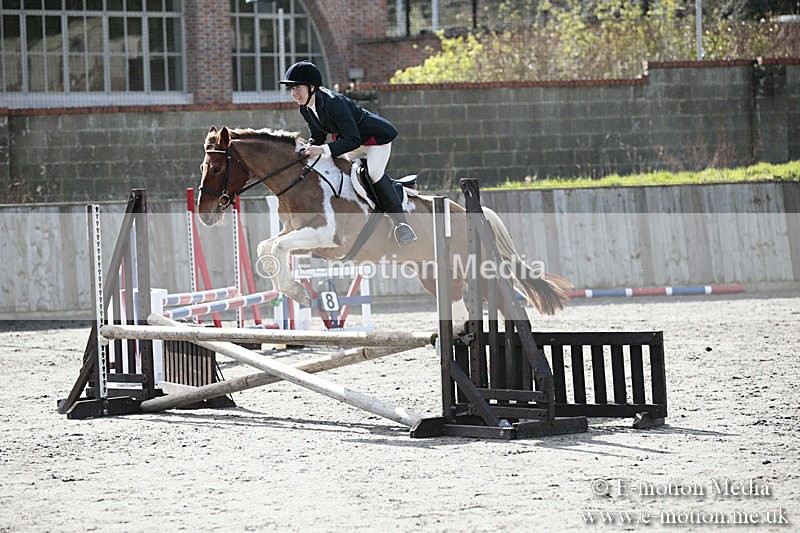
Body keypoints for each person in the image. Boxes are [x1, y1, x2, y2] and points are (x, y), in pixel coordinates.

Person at [278, 61, 417, 246]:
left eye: (297, 88)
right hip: (350, 141)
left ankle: (402, 225)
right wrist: (305, 150)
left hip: (374, 139)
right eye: (291, 89)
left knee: (374, 173)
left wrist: (323, 150)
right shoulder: (306, 108)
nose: (294, 94)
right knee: (341, 171)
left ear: (311, 87)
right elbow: (318, 136)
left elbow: (354, 140)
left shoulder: (334, 103)